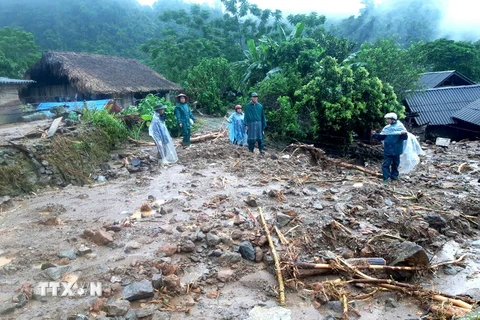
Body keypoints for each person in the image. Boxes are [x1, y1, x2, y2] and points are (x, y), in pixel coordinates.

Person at [371, 112, 408, 184]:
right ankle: (386, 178)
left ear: (393, 119)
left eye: (388, 119)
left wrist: (404, 134)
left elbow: (404, 138)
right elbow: (382, 136)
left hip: (396, 149)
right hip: (388, 149)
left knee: (395, 164)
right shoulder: (387, 128)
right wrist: (375, 135)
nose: (387, 121)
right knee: (386, 164)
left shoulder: (400, 127)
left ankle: (394, 176)